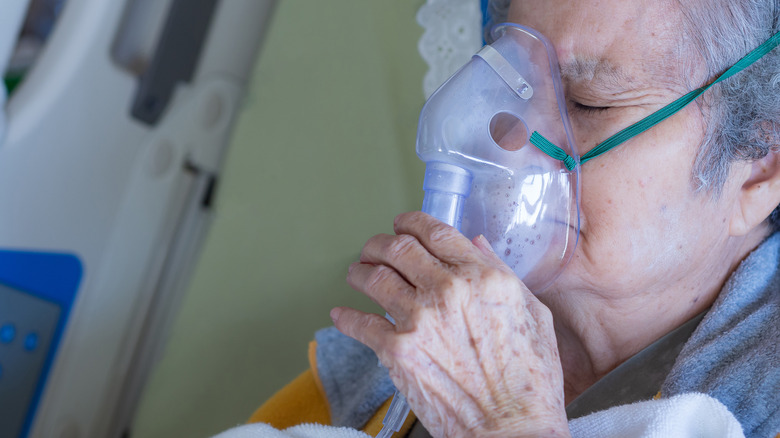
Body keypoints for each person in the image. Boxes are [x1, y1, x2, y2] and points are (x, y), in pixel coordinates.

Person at [214, 0, 780, 436]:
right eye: (517, 83)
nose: (507, 135)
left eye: (587, 103)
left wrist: (506, 421)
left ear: (759, 169)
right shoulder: (381, 367)